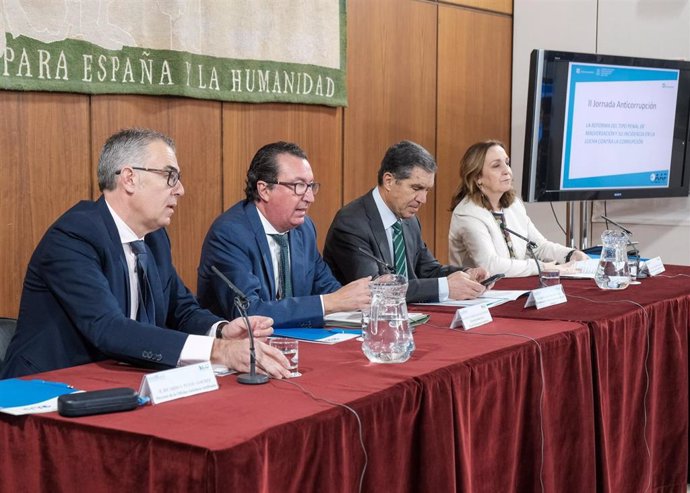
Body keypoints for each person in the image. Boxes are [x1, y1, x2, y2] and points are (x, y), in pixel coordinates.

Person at [1, 128, 290, 379]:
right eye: (170, 176)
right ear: (129, 178)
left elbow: (182, 310)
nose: (181, 190)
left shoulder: (154, 239)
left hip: (117, 380)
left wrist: (222, 331)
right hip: (47, 390)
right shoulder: (75, 235)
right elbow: (108, 328)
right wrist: (218, 352)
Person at [197, 141, 371, 328]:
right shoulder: (230, 233)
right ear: (264, 190)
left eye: (311, 186)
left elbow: (327, 288)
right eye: (298, 186)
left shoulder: (304, 230)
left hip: (296, 343)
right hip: (241, 349)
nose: (309, 198)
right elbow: (248, 311)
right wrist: (328, 303)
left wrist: (367, 296)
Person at [324, 140, 489, 303]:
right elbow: (375, 289)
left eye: (427, 190)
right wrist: (445, 287)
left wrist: (467, 274)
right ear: (388, 181)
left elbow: (428, 271)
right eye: (416, 188)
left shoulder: (409, 221)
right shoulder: (351, 223)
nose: (423, 199)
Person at [448, 140, 588, 277]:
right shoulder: (468, 214)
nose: (507, 170)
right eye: (496, 166)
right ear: (478, 177)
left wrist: (570, 254)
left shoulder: (514, 205)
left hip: (514, 287)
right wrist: (542, 267)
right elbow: (490, 265)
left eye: (507, 163)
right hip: (479, 293)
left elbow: (538, 246)